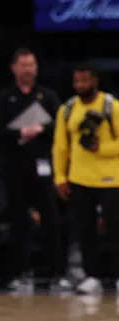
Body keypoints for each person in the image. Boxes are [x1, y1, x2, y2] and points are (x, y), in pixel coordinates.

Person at [0, 48, 69, 293]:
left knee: (51, 219)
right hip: (16, 166)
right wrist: (19, 133)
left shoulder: (47, 95)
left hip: (44, 165)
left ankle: (57, 273)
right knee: (18, 222)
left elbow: (60, 125)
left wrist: (40, 130)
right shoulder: (6, 97)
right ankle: (19, 273)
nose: (28, 69)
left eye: (32, 65)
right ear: (14, 68)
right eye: (23, 65)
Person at [52, 63, 119, 295]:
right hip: (79, 178)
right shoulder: (67, 109)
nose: (81, 85)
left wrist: (102, 148)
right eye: (77, 81)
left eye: (85, 80)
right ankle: (93, 276)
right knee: (85, 229)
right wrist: (60, 177)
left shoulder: (112, 106)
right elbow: (60, 147)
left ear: (94, 81)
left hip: (112, 179)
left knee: (115, 228)